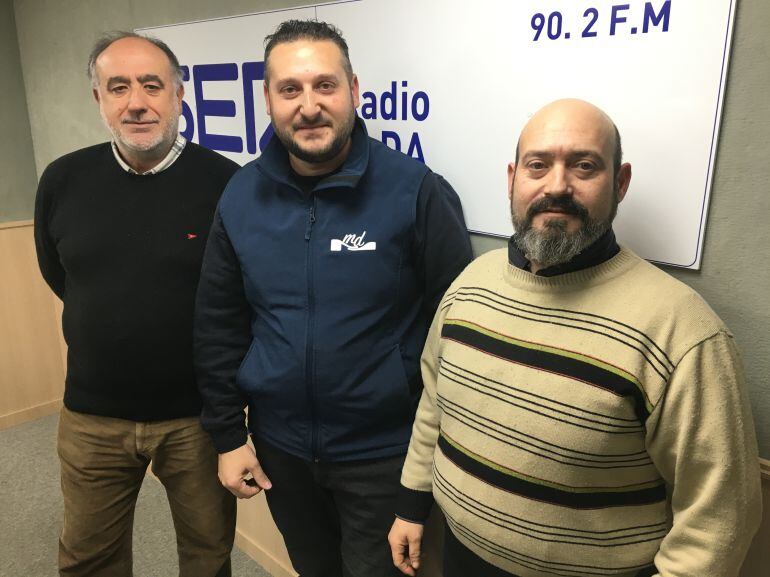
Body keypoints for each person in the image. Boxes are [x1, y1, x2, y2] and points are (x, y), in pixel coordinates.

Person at [388, 99, 762, 577]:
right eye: (538, 165)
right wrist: (411, 504)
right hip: (460, 558)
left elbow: (719, 515)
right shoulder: (468, 287)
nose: (557, 186)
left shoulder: (681, 330)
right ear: (512, 179)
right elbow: (434, 407)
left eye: (584, 166)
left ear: (620, 183)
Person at [194, 19, 472, 577]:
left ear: (355, 91)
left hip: (385, 456)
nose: (309, 105)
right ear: (267, 99)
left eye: (325, 85)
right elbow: (219, 322)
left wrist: (427, 469)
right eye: (290, 89)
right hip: (282, 453)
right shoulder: (242, 195)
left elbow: (460, 332)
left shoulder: (415, 190)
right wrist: (229, 436)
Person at [34, 32, 239, 577]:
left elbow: (242, 297)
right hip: (91, 416)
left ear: (179, 93)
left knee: (207, 555)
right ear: (98, 100)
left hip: (196, 419)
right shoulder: (62, 181)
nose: (136, 102)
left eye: (152, 85)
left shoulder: (226, 184)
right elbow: (63, 276)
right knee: (86, 559)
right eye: (118, 87)